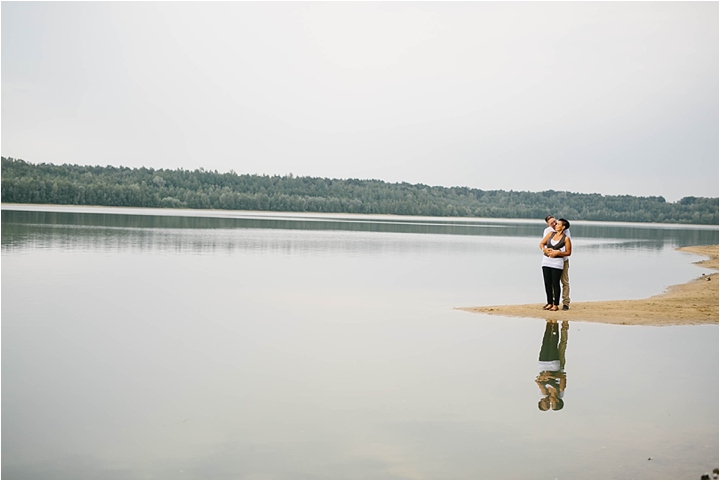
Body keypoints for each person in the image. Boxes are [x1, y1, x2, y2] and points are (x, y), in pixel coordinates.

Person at [536, 319, 569, 411]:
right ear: (557, 401)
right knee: (554, 344)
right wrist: (550, 376)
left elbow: (538, 380)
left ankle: (549, 324)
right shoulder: (560, 391)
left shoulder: (544, 392)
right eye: (552, 404)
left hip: (542, 364)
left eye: (549, 404)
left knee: (545, 344)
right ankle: (555, 325)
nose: (550, 402)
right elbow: (563, 377)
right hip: (554, 365)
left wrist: (543, 377)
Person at [539, 218, 572, 311]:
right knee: (547, 283)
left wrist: (558, 253)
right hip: (546, 261)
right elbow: (542, 243)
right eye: (552, 223)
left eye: (557, 223)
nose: (555, 224)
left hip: (560, 262)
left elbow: (568, 252)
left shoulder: (566, 235)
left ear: (563, 227)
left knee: (560, 282)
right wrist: (544, 250)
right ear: (548, 224)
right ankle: (550, 302)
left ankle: (562, 303)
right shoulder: (548, 232)